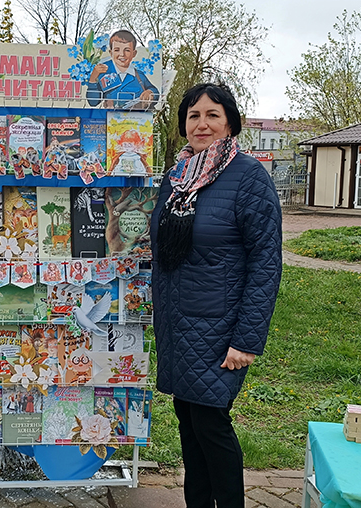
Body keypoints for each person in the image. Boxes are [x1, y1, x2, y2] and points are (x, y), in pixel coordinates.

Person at [151, 82, 282, 508]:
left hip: (219, 328)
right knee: (189, 424)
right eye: (194, 116)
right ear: (183, 124)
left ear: (230, 123)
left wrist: (247, 340)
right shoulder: (178, 179)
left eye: (212, 115)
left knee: (210, 424)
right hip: (179, 325)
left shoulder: (248, 177)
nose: (202, 124)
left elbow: (266, 263)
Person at [86, 30, 159, 110]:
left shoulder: (139, 75)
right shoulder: (104, 74)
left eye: (127, 50)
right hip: (111, 116)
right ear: (111, 53)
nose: (122, 54)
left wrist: (150, 93)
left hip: (136, 117)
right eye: (117, 50)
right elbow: (93, 102)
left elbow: (154, 91)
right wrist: (92, 79)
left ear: (134, 54)